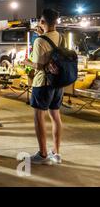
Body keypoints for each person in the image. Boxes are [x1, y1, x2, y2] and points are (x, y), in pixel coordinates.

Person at [23, 9, 64, 165]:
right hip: (58, 83)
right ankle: (57, 153)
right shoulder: (61, 37)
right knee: (55, 116)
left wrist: (26, 62)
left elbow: (39, 66)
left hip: (42, 84)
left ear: (42, 21)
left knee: (39, 117)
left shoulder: (39, 41)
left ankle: (42, 154)